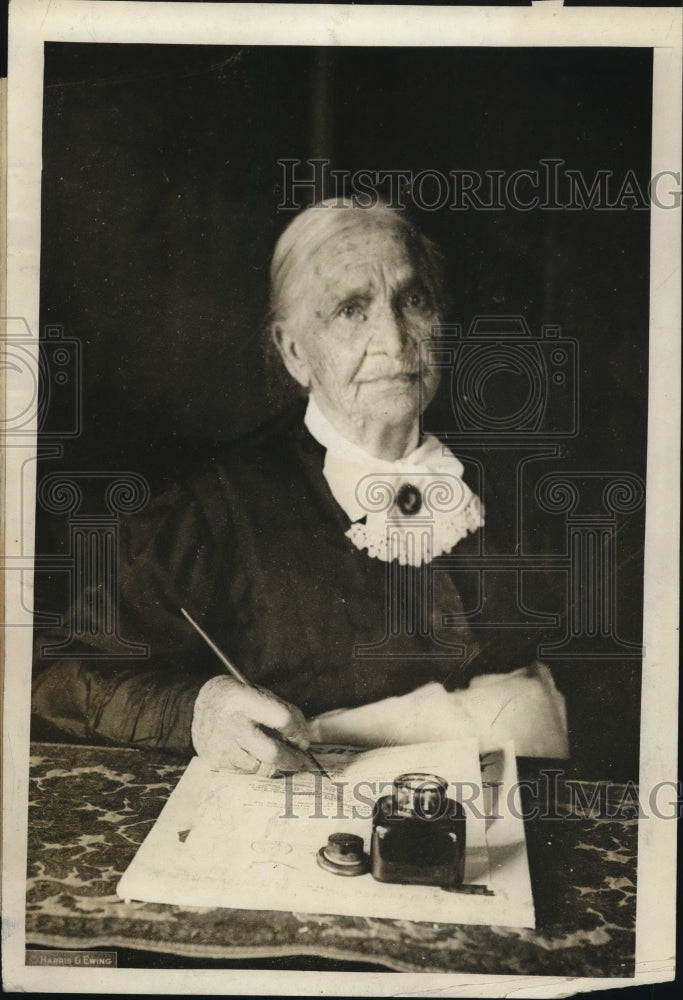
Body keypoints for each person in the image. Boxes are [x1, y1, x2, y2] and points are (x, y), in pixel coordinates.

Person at [31, 199, 568, 775]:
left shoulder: (520, 472)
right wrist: (196, 710)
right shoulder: (212, 507)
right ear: (294, 352)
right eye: (350, 310)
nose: (394, 338)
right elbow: (56, 676)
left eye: (412, 299)